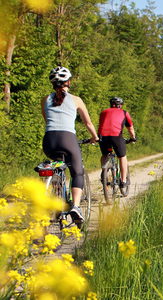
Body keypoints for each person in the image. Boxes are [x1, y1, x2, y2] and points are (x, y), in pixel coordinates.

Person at [42, 66, 99, 223]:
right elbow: (87, 123)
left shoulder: (45, 99)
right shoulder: (76, 100)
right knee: (77, 172)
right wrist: (94, 137)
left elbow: (47, 121)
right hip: (67, 139)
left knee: (56, 166)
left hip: (49, 140)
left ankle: (55, 193)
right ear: (67, 82)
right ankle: (75, 206)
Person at [98, 97, 136, 187]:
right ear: (120, 105)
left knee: (105, 154)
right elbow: (130, 127)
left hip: (102, 137)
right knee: (122, 157)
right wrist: (133, 138)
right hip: (116, 136)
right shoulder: (124, 113)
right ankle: (123, 181)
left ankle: (104, 172)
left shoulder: (103, 112)